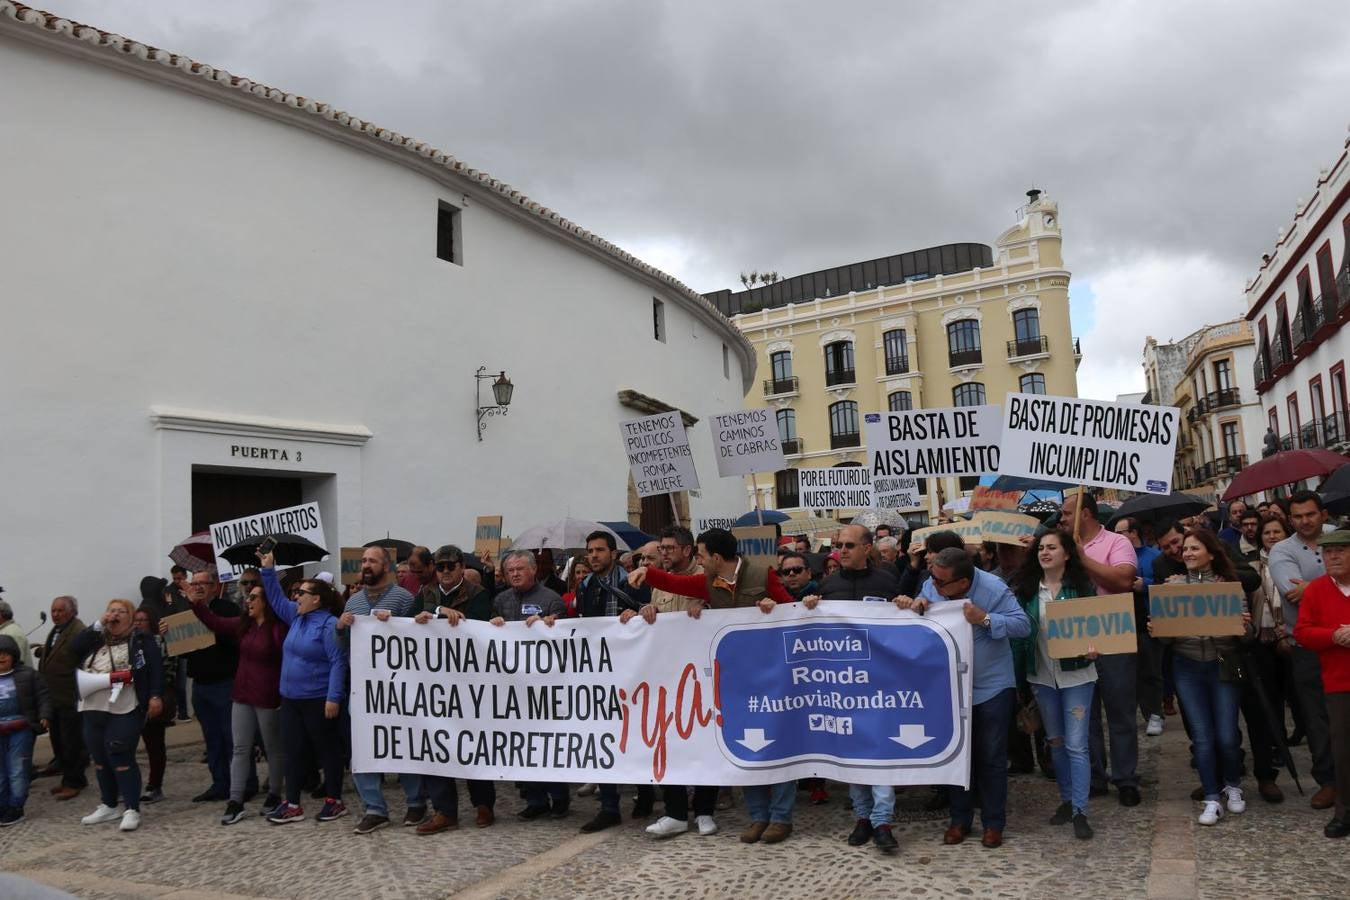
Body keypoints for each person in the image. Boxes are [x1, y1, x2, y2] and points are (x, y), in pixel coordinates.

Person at [624, 533, 790, 844]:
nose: (699, 561)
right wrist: (647, 572)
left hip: (770, 672)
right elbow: (677, 585)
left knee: (779, 743)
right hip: (734, 675)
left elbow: (792, 610)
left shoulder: (761, 574)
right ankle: (758, 816)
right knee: (747, 742)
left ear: (716, 556)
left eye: (701, 555)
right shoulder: (708, 583)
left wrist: (773, 606)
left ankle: (781, 817)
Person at [897, 547, 1031, 849]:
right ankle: (959, 820)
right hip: (953, 686)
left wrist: (984, 618)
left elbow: (1023, 626)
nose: (935, 585)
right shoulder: (933, 584)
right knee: (960, 755)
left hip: (992, 686)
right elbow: (925, 608)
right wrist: (920, 604)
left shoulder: (995, 589)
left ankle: (994, 823)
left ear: (964, 583)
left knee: (992, 757)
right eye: (933, 578)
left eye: (941, 582)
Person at [801, 524, 902, 852]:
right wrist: (811, 606)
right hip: (841, 686)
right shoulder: (827, 585)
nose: (841, 551)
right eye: (837, 545)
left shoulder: (887, 582)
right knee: (852, 753)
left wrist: (906, 603)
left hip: (879, 683)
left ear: (867, 548)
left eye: (848, 545)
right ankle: (862, 817)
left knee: (881, 751)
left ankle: (883, 820)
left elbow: (903, 626)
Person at [1150, 530, 1251, 826]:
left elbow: (1247, 636)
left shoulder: (1231, 588)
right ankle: (1211, 797)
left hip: (1224, 664)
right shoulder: (1173, 587)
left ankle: (1232, 785)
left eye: (1195, 548)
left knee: (1227, 735)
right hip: (1187, 665)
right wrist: (1160, 631)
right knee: (1203, 737)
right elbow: (1166, 642)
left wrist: (1245, 627)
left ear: (1211, 552)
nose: (1188, 553)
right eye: (1186, 549)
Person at [1010, 532, 1099, 840]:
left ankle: (1080, 811)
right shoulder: (1026, 591)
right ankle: (1066, 799)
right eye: (1041, 548)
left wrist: (1094, 646)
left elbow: (1099, 627)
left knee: (1076, 744)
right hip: (1042, 678)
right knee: (1056, 742)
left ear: (1067, 554)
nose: (1045, 552)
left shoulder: (1082, 589)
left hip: (1077, 677)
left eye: (1052, 547)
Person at [1059, 491, 1141, 807]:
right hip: (1077, 637)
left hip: (1113, 637)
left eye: (1067, 514)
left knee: (1120, 711)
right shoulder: (1062, 547)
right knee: (1085, 714)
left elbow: (1122, 580)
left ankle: (1126, 778)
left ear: (1086, 514)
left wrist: (1083, 558)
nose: (1062, 520)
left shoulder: (1116, 544)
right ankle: (1094, 776)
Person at [190, 574, 287, 824]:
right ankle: (236, 800)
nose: (248, 600)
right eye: (248, 596)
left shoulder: (277, 629)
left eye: (254, 597)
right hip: (242, 694)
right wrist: (196, 605)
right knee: (240, 747)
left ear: (266, 602)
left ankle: (275, 793)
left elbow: (285, 661)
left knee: (272, 747)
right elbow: (215, 622)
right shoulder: (243, 624)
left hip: (267, 695)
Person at [338, 546, 422, 833]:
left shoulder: (403, 598)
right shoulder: (353, 602)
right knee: (364, 745)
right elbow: (343, 647)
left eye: (372, 560)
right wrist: (341, 627)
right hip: (364, 690)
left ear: (385, 566)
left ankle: (416, 803)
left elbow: (419, 639)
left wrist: (397, 625)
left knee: (403, 742)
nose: (366, 565)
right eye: (363, 561)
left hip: (398, 689)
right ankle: (374, 808)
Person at [412, 545, 496, 833]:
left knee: (473, 744)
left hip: (470, 684)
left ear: (461, 567)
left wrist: (436, 615)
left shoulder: (478, 594)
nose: (445, 572)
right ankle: (444, 811)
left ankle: (484, 804)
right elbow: (407, 621)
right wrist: (431, 613)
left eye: (450, 567)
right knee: (437, 745)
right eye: (440, 567)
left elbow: (478, 626)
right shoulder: (425, 594)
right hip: (435, 685)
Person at [259, 556, 347, 825]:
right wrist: (268, 569)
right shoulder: (296, 617)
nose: (296, 597)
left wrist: (333, 697)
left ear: (316, 599)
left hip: (318, 698)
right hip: (291, 699)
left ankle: (334, 800)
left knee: (326, 749)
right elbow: (274, 597)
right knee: (292, 750)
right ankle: (293, 804)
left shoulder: (329, 625)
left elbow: (338, 661)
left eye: (302, 593)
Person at [575, 531, 652, 832]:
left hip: (633, 672)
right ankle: (609, 806)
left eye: (599, 550)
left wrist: (637, 614)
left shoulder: (632, 580)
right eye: (589, 551)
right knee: (602, 739)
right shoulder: (584, 585)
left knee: (636, 736)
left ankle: (644, 794)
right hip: (598, 674)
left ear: (613, 552)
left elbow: (650, 614)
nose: (593, 556)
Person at [1268, 490, 1337, 810]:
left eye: (1310, 514)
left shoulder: (1341, 536)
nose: (1304, 521)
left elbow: (1309, 590)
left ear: (1322, 514)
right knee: (1316, 717)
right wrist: (1340, 581)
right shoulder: (1282, 549)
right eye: (1297, 516)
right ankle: (1328, 780)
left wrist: (1314, 586)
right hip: (1307, 645)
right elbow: (1292, 592)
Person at [489, 550, 568, 820]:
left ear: (534, 570)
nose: (514, 574)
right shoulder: (501, 600)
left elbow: (567, 637)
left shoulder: (551, 600)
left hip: (547, 687)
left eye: (520, 569)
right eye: (510, 570)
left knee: (549, 743)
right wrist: (494, 625)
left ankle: (559, 797)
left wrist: (550, 625)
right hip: (514, 688)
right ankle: (534, 799)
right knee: (523, 745)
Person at [73, 598, 164, 833]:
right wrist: (97, 624)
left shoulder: (142, 640)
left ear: (131, 617)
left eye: (120, 611)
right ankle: (109, 804)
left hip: (125, 704)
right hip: (93, 704)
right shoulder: (95, 637)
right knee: (100, 757)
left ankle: (131, 808)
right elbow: (73, 648)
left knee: (120, 753)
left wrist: (155, 696)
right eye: (110, 611)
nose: (114, 615)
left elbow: (155, 669)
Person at [1292, 529, 1350, 838]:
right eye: (1328, 552)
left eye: (1341, 550)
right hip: (1339, 681)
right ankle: (1345, 811)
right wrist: (1334, 636)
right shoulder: (1316, 590)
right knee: (1342, 749)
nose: (1334, 556)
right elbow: (1302, 632)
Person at [169, 567, 243, 804]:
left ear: (214, 586)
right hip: (200, 684)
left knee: (233, 738)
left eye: (203, 583)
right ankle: (219, 783)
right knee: (212, 739)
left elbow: (235, 642)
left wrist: (211, 629)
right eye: (195, 582)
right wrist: (170, 635)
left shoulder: (227, 609)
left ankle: (242, 784)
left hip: (224, 683)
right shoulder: (186, 612)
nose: (197, 586)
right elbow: (185, 652)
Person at [33, 595, 87, 800]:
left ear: (72, 611)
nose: (55, 614)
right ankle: (71, 778)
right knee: (59, 741)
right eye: (53, 610)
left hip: (69, 696)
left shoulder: (78, 632)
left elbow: (82, 662)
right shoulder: (57, 630)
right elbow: (55, 654)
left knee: (71, 742)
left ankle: (73, 782)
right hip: (53, 697)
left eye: (60, 611)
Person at [1114, 517, 1165, 738]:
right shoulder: (1114, 557)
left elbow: (1168, 588)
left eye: (1120, 532)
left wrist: (1145, 585)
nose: (1116, 536)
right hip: (1121, 623)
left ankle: (1154, 713)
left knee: (1150, 670)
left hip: (1147, 622)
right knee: (1128, 672)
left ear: (1133, 532)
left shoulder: (1154, 556)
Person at [0, 633, 50, 826]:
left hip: (20, 729)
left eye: (5, 653)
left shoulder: (28, 675)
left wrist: (45, 715)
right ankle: (2, 806)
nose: (1, 657)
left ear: (13, 655)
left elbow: (43, 695)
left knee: (17, 769)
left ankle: (16, 807)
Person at [131, 609, 175, 805]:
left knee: (154, 745)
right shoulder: (130, 642)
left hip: (154, 697)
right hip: (133, 700)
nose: (139, 623)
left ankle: (154, 785)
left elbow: (168, 667)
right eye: (136, 620)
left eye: (143, 620)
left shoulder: (159, 641)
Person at [649, 526, 704, 613]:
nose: (664, 553)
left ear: (687, 550)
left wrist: (706, 607)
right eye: (662, 548)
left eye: (670, 548)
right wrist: (647, 611)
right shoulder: (660, 585)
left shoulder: (705, 576)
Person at [0, 600, 31, 667]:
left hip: (16, 677)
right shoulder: (4, 630)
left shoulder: (13, 633)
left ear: (2, 614)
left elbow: (17, 663)